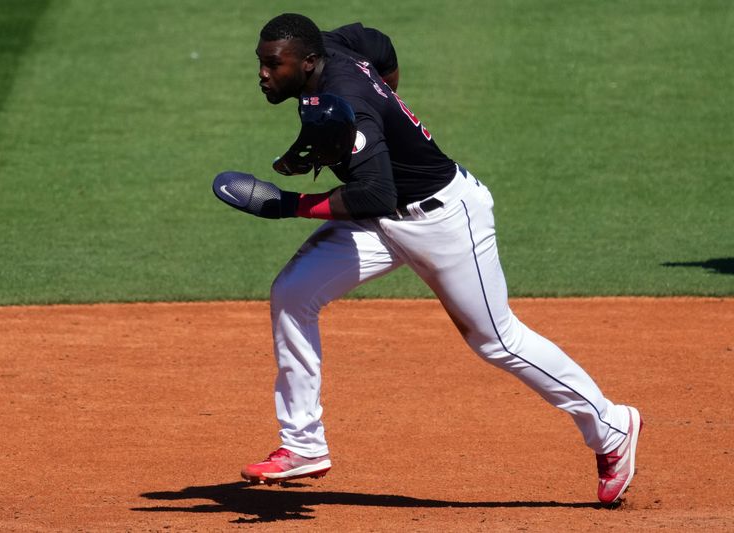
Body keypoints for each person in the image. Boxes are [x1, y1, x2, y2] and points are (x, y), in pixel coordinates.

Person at [212, 13, 642, 505]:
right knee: (293, 293)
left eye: (273, 65)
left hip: (442, 220)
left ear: (308, 62)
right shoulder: (334, 45)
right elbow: (380, 44)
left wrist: (288, 204)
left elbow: (374, 192)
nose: (263, 74)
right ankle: (303, 445)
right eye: (261, 62)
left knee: (497, 340)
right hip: (384, 221)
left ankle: (611, 426)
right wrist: (374, 119)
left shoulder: (351, 103)